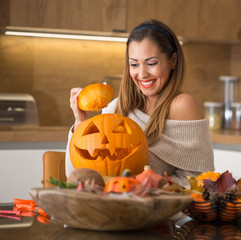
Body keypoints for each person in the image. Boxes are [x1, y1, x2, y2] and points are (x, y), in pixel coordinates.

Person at [65, 19, 214, 186]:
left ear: (173, 60)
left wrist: (147, 186)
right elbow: (75, 177)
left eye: (151, 63)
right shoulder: (115, 108)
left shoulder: (181, 105)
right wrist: (80, 122)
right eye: (134, 64)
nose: (142, 74)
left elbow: (200, 181)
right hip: (110, 206)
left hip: (159, 210)